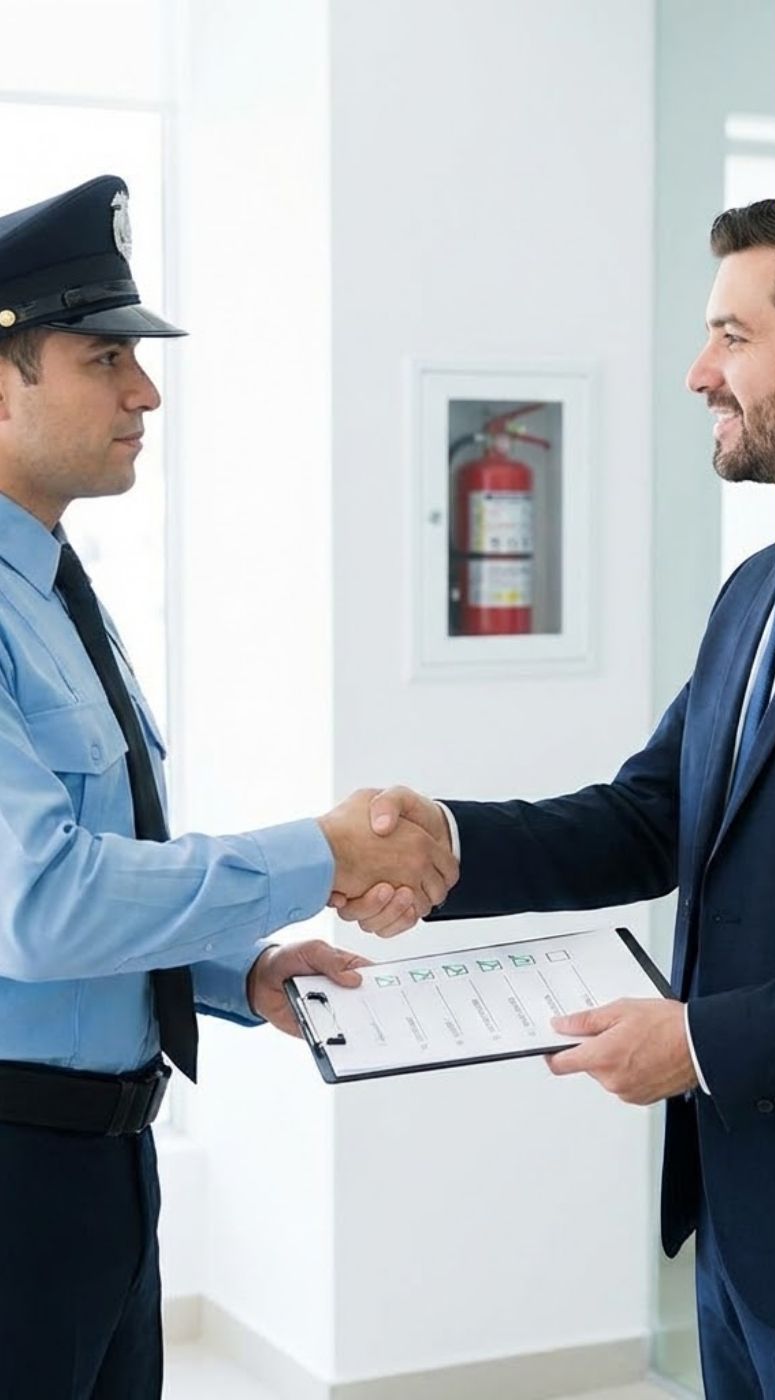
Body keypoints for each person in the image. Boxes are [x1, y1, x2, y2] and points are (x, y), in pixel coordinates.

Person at [335, 189, 775, 1399]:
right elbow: (652, 814)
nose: (700, 371)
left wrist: (701, 1039)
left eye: (735, 337)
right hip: (737, 1235)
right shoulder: (757, 588)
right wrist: (442, 841)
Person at [0, 175, 458, 1400]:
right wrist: (320, 848)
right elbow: (40, 905)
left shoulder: (50, 591)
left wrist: (234, 972)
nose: (145, 392)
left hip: (99, 1167)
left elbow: (87, 877)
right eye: (105, 357)